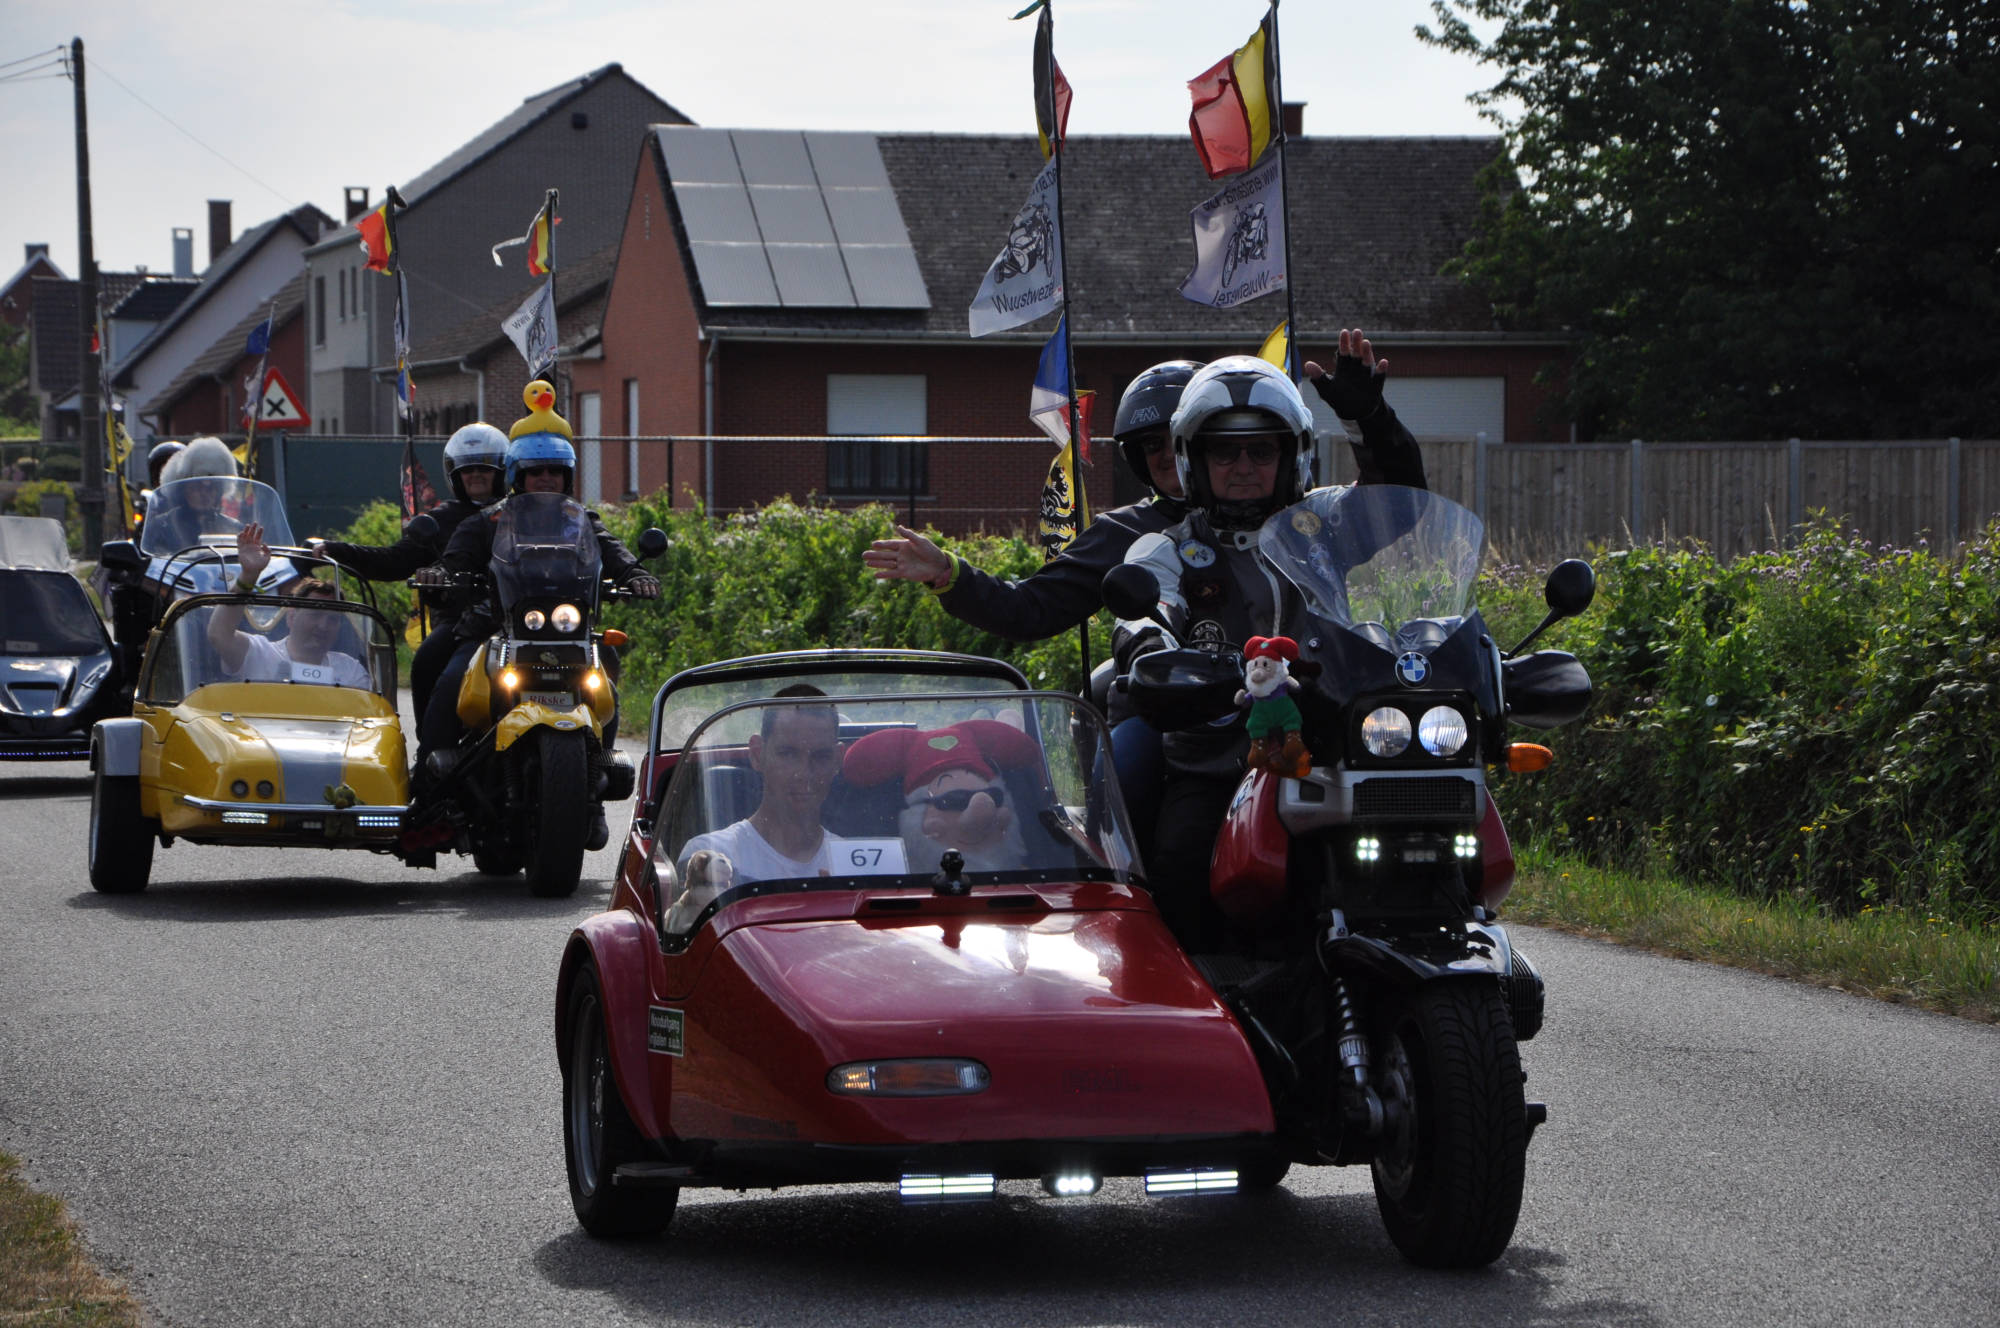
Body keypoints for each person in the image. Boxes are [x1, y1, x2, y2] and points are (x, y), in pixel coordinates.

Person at [1114, 334, 1427, 951]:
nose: (1243, 466)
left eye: (1261, 449)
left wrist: (1369, 418)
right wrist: (1154, 655)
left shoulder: (1325, 525)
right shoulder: (1166, 550)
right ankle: (1195, 991)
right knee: (1179, 860)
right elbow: (1144, 619)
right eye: (1223, 451)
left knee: (1419, 845)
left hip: (1336, 748)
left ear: (1292, 455)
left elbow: (1403, 502)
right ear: (1192, 459)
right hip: (1219, 761)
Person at [861, 360, 1203, 853]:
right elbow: (1030, 607)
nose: (1166, 455)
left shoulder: (1279, 517)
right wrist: (950, 573)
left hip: (1274, 696)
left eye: (1176, 438)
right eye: (1152, 445)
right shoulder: (1125, 531)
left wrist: (1337, 410)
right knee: (1125, 779)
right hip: (1162, 714)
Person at [416, 420, 660, 847]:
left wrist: (634, 573)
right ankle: (432, 786)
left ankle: (594, 789)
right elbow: (456, 559)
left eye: (554, 472)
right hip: (497, 627)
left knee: (606, 683)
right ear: (517, 475)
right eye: (535, 472)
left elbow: (611, 549)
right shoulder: (489, 520)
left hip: (568, 630)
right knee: (452, 679)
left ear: (568, 476)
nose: (545, 479)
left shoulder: (580, 520)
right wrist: (441, 574)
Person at [313, 422, 507, 724]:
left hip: (523, 617)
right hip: (462, 621)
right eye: (467, 470)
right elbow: (394, 561)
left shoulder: (522, 512)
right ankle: (432, 747)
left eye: (484, 468)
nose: (476, 475)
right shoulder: (443, 519)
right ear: (455, 475)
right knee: (428, 660)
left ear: (502, 471)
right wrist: (336, 550)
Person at [676, 686, 854, 886]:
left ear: (837, 760)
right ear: (757, 754)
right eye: (788, 754)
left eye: (821, 756)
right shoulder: (709, 855)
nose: (804, 773)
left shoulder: (853, 862)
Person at [841, 718, 1042, 873]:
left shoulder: (1042, 875)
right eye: (955, 800)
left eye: (994, 796)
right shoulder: (895, 884)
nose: (985, 806)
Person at [204, 522, 370, 689]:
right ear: (291, 616)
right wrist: (249, 576)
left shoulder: (350, 670)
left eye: (333, 619)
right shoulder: (260, 653)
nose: (323, 625)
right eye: (315, 615)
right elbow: (219, 634)